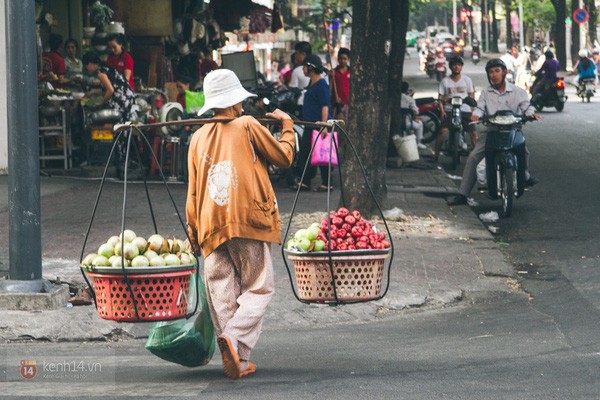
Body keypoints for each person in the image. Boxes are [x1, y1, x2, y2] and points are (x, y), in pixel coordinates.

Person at [185, 69, 295, 380]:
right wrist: (287, 127)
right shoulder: (248, 125)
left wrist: (193, 230)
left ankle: (240, 359)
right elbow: (284, 157)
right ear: (234, 102)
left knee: (222, 292)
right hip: (248, 220)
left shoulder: (196, 137)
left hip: (210, 225)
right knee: (258, 287)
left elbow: (192, 190)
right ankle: (234, 339)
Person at [446, 59, 541, 206]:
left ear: (504, 72)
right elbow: (480, 107)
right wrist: (476, 114)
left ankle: (525, 176)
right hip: (491, 131)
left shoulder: (518, 91)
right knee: (473, 157)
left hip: (512, 130)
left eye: (497, 71)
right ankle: (463, 194)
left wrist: (531, 114)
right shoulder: (485, 92)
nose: (494, 75)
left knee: (524, 151)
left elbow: (527, 107)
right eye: (491, 72)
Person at [296, 54, 333, 192]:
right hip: (310, 125)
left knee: (322, 155)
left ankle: (326, 183)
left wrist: (323, 125)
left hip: (318, 126)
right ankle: (305, 181)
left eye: (305, 67)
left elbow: (325, 106)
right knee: (306, 153)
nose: (303, 69)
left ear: (310, 67)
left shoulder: (322, 85)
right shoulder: (312, 83)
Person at [434, 56, 477, 161]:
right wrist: (442, 111)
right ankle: (435, 155)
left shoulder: (467, 80)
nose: (456, 67)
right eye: (454, 65)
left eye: (458, 65)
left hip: (465, 109)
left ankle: (478, 157)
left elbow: (471, 95)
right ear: (450, 67)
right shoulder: (445, 81)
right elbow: (440, 98)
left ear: (461, 67)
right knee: (442, 131)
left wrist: (473, 110)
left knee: (473, 132)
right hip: (449, 109)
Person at [82, 52, 136, 122]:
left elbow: (110, 90)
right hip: (128, 96)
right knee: (121, 122)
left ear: (90, 63)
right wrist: (93, 92)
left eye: (86, 66)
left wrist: (101, 102)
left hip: (122, 97)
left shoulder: (100, 73)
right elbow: (108, 88)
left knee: (115, 121)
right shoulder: (104, 67)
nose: (87, 68)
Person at [400, 81, 426, 149]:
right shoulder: (409, 99)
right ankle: (418, 143)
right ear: (406, 89)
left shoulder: (394, 97)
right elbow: (416, 111)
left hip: (394, 122)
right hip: (406, 123)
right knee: (420, 124)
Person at [329, 47, 351, 121]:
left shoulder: (351, 72)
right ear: (338, 59)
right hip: (335, 104)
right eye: (340, 58)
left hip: (347, 104)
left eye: (345, 59)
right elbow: (330, 88)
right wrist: (331, 78)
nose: (342, 61)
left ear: (348, 60)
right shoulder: (333, 72)